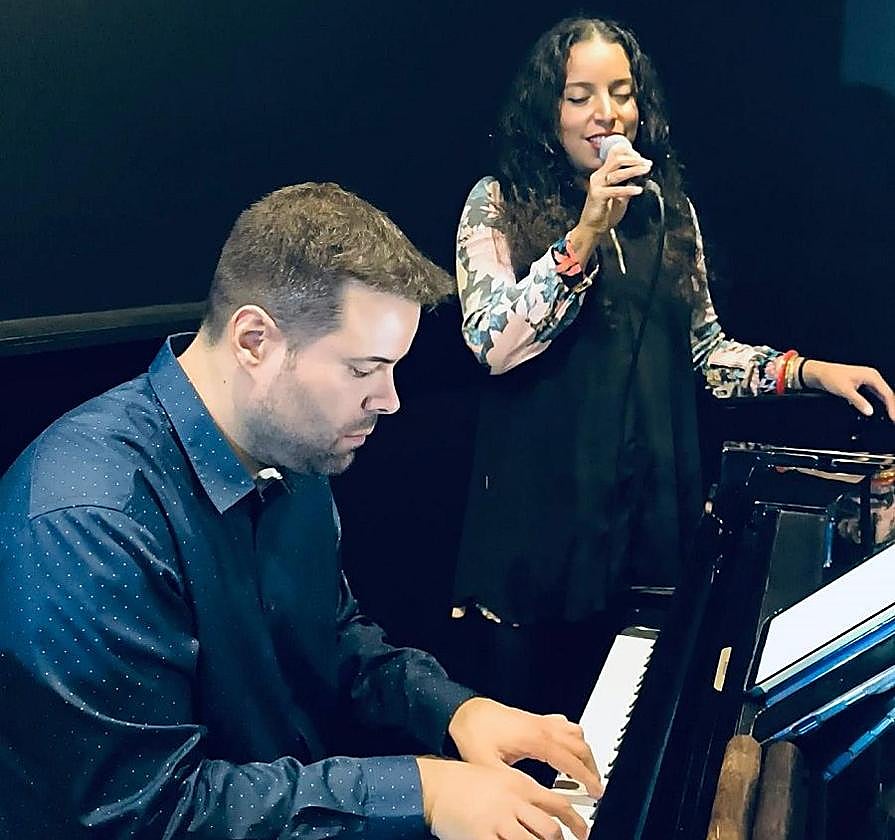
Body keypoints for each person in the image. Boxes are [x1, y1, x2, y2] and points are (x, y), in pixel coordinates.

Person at [0, 182, 601, 840]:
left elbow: (332, 638)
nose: (391, 400)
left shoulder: (290, 448)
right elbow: (146, 813)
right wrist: (422, 791)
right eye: (364, 369)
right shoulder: (87, 520)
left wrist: (455, 712)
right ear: (254, 341)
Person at [448, 17, 895, 724]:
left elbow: (705, 355)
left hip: (646, 528)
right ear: (547, 110)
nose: (606, 113)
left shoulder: (666, 209)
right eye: (580, 96)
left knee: (628, 737)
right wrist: (584, 233)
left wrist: (810, 371)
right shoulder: (498, 202)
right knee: (533, 744)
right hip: (539, 539)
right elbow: (492, 342)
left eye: (621, 93)